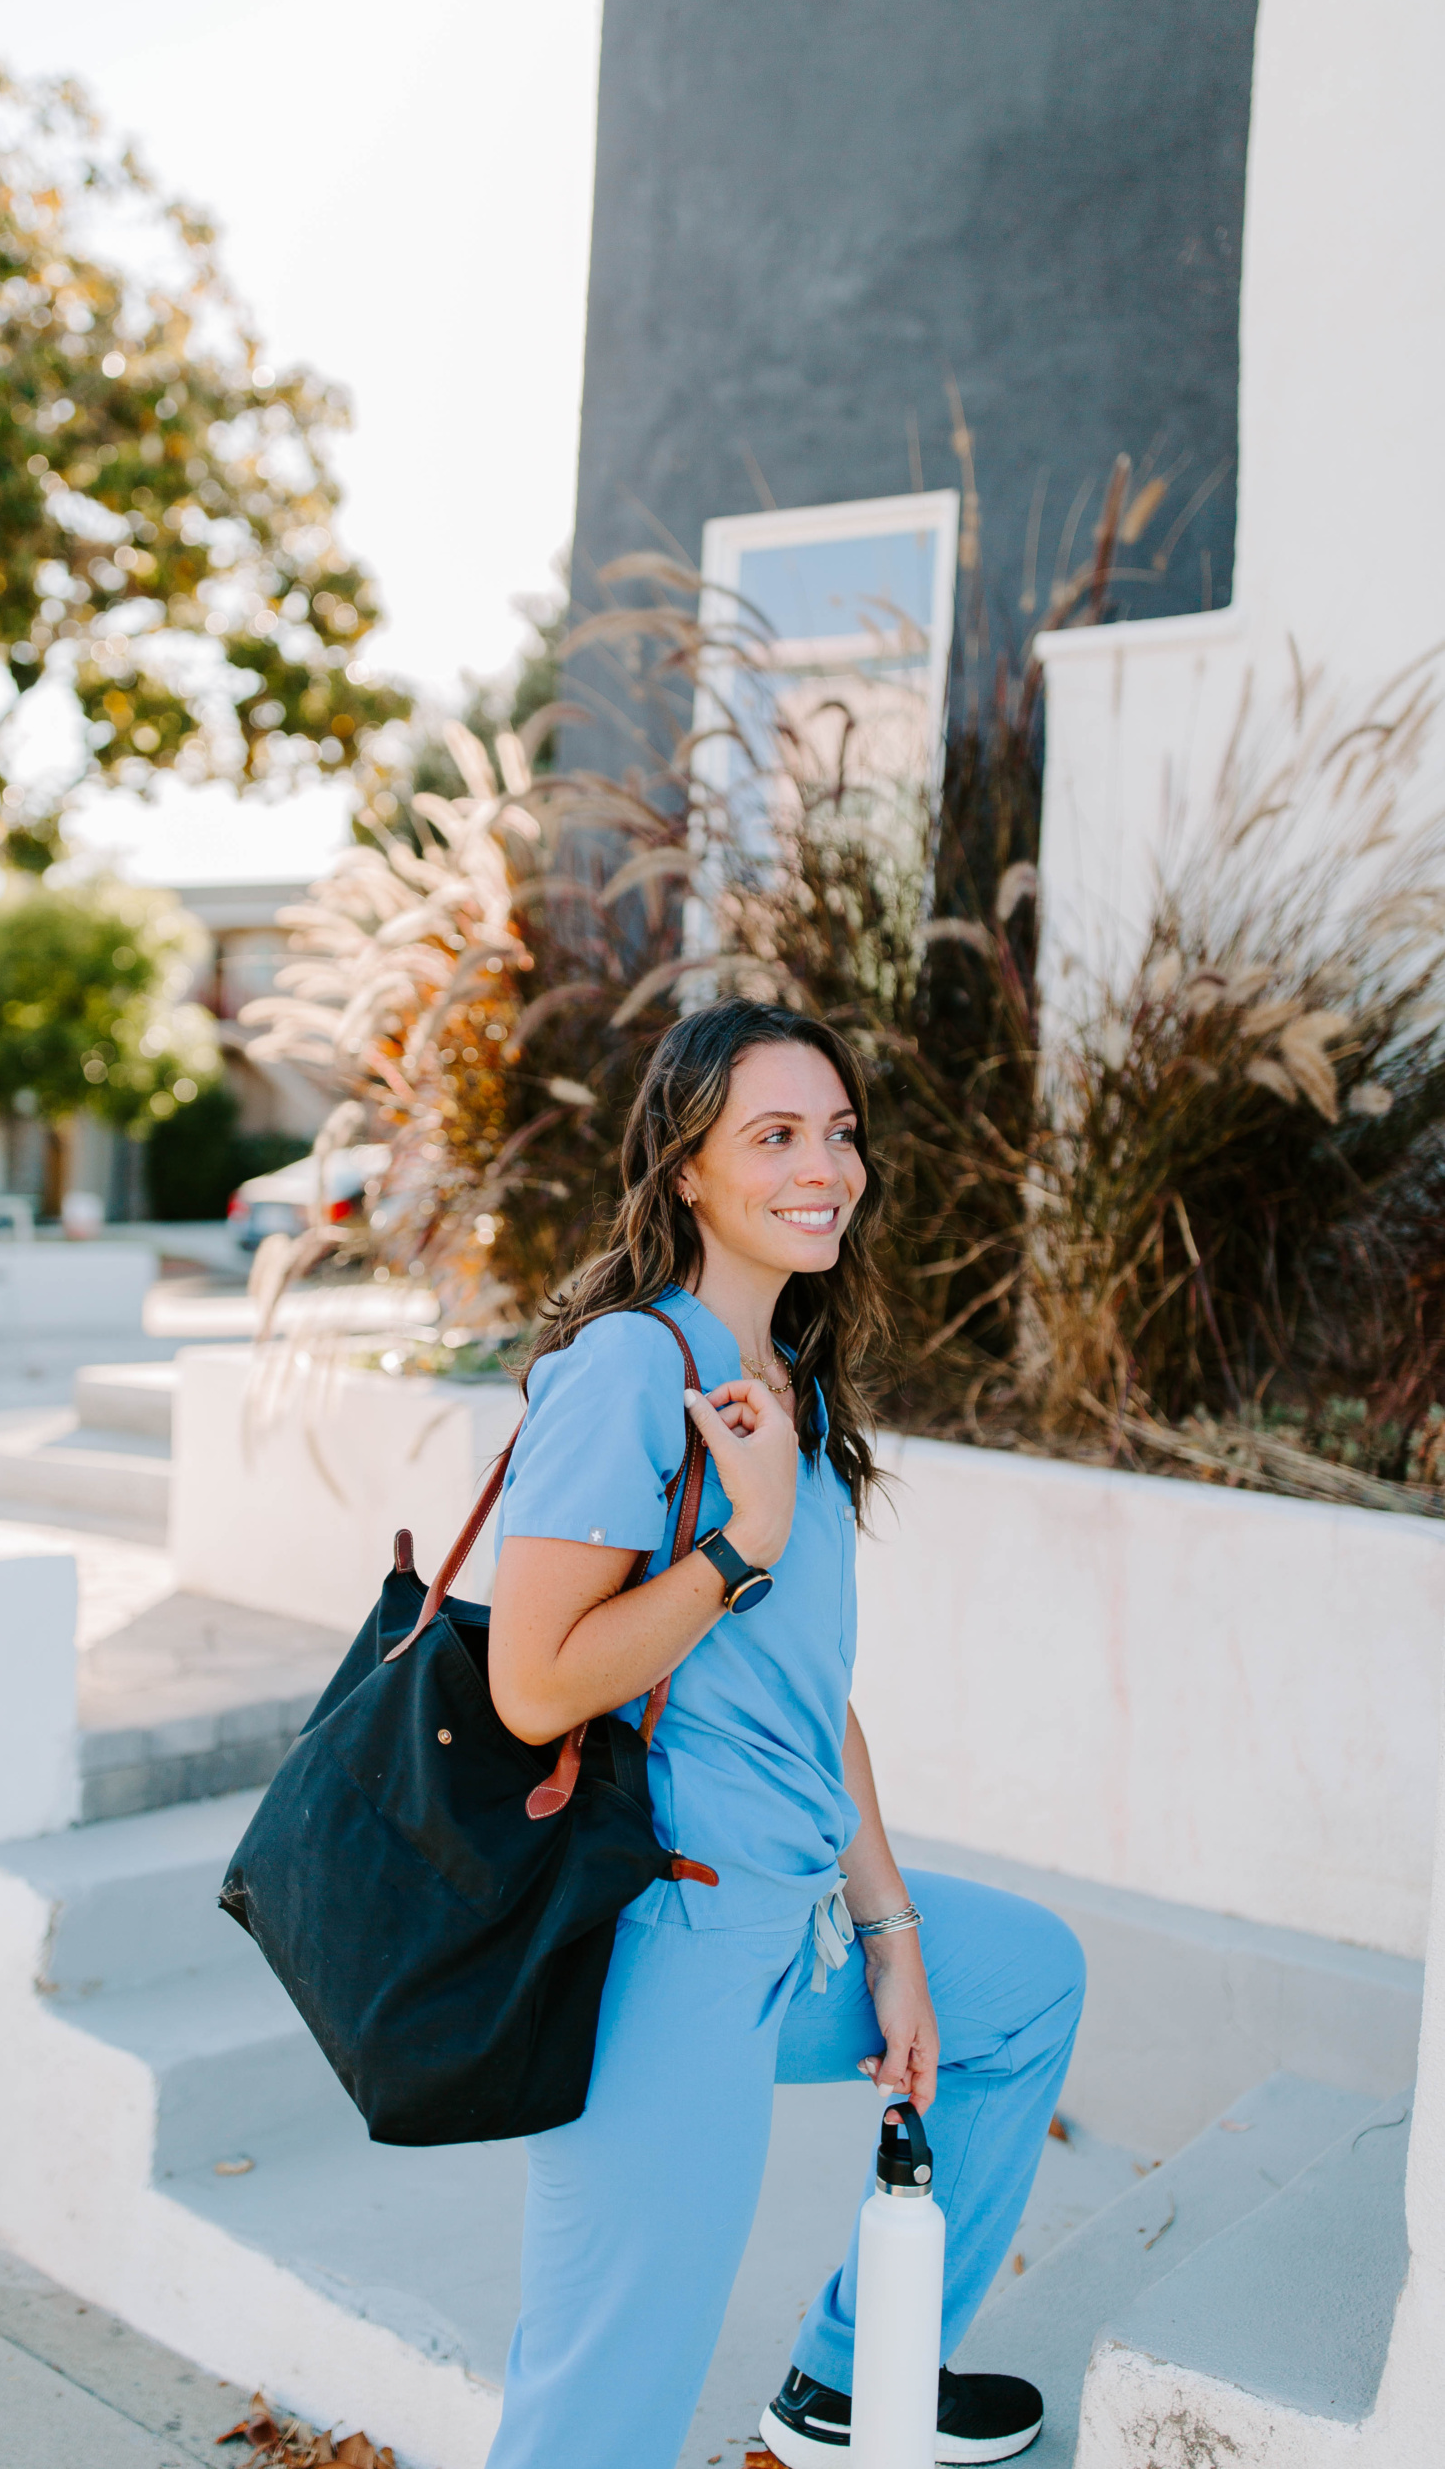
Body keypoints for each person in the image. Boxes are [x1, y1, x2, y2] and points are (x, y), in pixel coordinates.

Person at [483, 997, 1085, 2469]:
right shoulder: (634, 1370)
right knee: (601, 2408)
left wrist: (891, 1934)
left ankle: (847, 2379)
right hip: (665, 1935)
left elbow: (812, 1692)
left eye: (839, 1133)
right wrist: (740, 1541)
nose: (825, 1165)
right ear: (685, 1168)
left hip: (789, 1920)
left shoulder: (793, 1385)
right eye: (774, 1135)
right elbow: (532, 1684)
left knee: (1018, 1985)